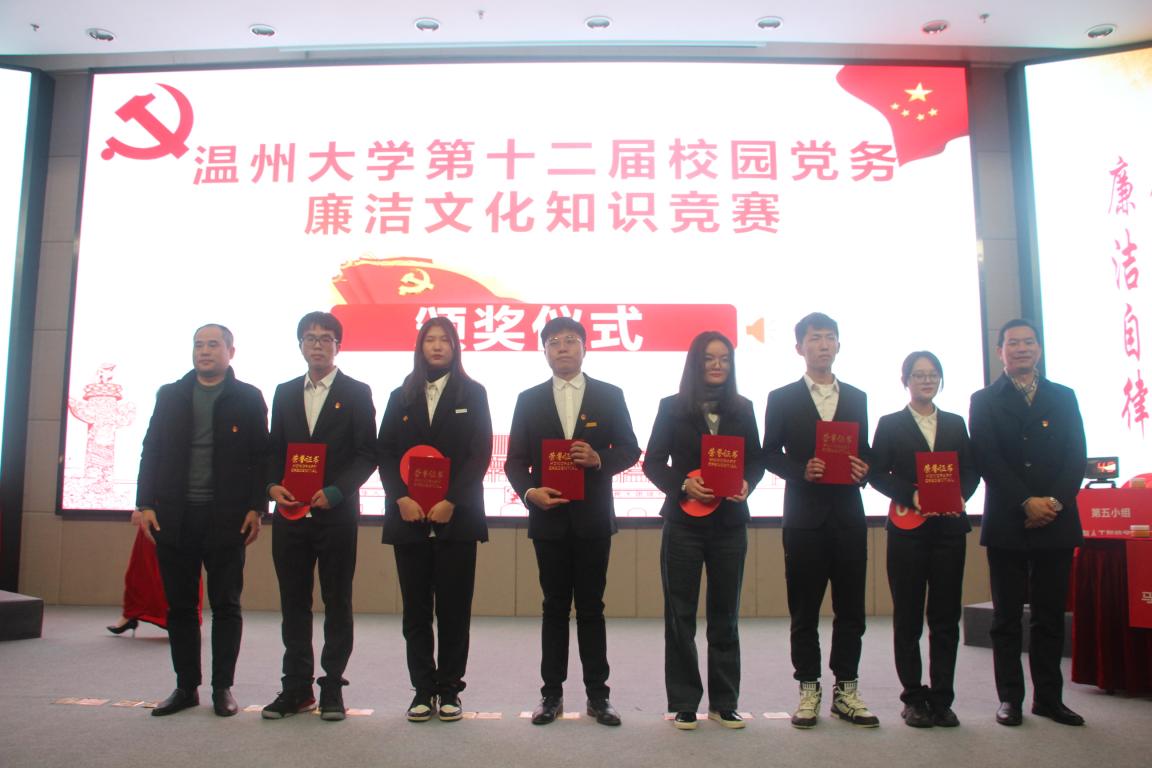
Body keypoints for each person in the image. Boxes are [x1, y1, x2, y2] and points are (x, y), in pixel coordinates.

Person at [505, 316, 641, 726]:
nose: (562, 347)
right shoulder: (528, 399)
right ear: (544, 351)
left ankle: (599, 697)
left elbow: (630, 449)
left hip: (593, 520)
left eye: (570, 340)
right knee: (553, 608)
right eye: (554, 342)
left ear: (584, 348)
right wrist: (530, 493)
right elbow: (515, 462)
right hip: (548, 520)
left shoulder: (609, 395)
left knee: (592, 608)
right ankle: (551, 695)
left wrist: (600, 459)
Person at [135, 323, 268, 717]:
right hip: (174, 516)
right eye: (198, 345)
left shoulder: (248, 397)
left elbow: (261, 456)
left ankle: (222, 688)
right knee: (180, 606)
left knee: (226, 605)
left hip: (226, 517)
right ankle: (185, 687)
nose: (204, 351)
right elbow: (151, 449)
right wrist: (144, 503)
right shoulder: (171, 395)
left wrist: (256, 506)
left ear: (230, 352)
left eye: (213, 345)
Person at [643, 331, 765, 730]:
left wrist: (747, 483)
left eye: (724, 359)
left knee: (725, 615)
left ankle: (724, 702)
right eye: (709, 358)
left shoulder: (743, 409)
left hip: (729, 524)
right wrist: (683, 483)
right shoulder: (672, 407)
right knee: (680, 615)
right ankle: (684, 702)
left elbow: (756, 461)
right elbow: (653, 462)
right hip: (684, 525)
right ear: (696, 363)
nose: (717, 365)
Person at [969, 319, 1087, 727]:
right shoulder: (984, 400)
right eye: (1013, 343)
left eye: (1029, 342)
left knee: (1049, 616)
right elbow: (987, 459)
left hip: (1056, 519)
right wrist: (1025, 502)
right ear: (1000, 351)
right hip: (1008, 519)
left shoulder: (1064, 396)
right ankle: (1010, 699)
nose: (1022, 348)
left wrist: (1053, 502)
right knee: (1005, 618)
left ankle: (1049, 699)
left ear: (1038, 348)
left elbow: (1076, 455)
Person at [762, 312, 877, 728]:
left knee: (852, 611)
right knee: (804, 610)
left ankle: (846, 690)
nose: (823, 345)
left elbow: (865, 451)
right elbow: (767, 453)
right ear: (800, 348)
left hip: (848, 518)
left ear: (839, 345)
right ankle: (808, 689)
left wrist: (864, 468)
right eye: (815, 338)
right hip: (804, 519)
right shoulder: (782, 398)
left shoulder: (858, 397)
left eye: (830, 337)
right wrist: (800, 470)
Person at [377, 317, 493, 722]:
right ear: (420, 347)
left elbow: (480, 453)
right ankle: (423, 690)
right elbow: (385, 452)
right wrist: (401, 498)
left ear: (456, 347)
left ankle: (450, 690)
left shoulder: (473, 394)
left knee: (454, 610)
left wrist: (452, 501)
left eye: (445, 340)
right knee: (415, 611)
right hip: (408, 518)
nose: (438, 346)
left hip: (456, 519)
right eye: (431, 340)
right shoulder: (400, 396)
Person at [263, 311, 377, 722]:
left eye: (326, 338)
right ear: (300, 345)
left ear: (337, 346)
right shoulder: (284, 392)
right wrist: (271, 486)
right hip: (290, 514)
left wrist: (337, 491)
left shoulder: (357, 392)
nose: (317, 345)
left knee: (336, 600)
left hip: (336, 515)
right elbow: (274, 449)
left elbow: (368, 453)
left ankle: (331, 687)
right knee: (293, 602)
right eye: (310, 338)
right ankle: (296, 687)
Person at [869, 351, 980, 728]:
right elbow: (877, 474)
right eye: (918, 375)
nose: (926, 380)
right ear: (906, 381)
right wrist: (912, 494)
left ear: (940, 380)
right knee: (908, 617)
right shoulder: (890, 424)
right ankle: (914, 698)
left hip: (949, 531)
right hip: (907, 531)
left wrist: (961, 495)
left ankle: (942, 699)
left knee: (946, 618)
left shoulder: (955, 423)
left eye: (933, 375)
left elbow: (970, 470)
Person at [107, 510, 172, 635]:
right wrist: (141, 507)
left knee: (176, 571)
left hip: (186, 513)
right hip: (157, 513)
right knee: (142, 569)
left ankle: (180, 620)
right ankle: (130, 615)